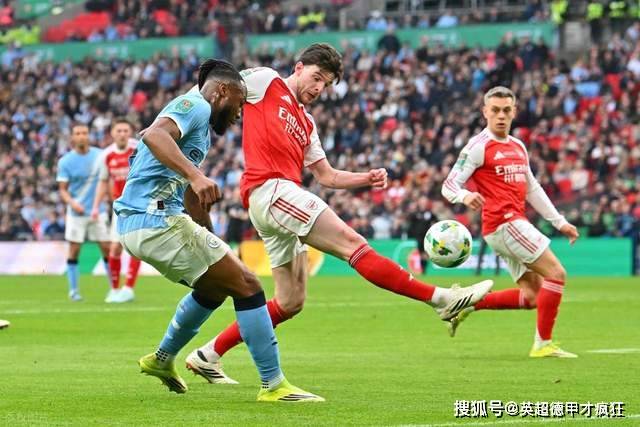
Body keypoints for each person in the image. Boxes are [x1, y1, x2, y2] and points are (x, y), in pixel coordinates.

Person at [186, 43, 493, 384]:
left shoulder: (307, 123)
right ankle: (440, 299)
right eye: (316, 77)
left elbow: (327, 176)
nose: (319, 88)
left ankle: (208, 354)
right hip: (270, 189)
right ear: (298, 67)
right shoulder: (266, 81)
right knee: (352, 243)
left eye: (327, 84)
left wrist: (366, 178)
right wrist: (178, 118)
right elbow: (218, 85)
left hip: (281, 197)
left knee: (290, 301)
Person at [113, 59, 321, 402]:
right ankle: (274, 385)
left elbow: (190, 195)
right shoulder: (193, 105)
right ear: (223, 90)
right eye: (239, 102)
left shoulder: (199, 130)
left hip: (146, 221)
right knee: (249, 286)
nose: (240, 113)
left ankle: (162, 359)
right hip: (154, 219)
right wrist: (196, 176)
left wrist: (210, 234)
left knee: (215, 288)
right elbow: (153, 135)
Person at [441, 86, 580, 358]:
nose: (501, 116)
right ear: (485, 112)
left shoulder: (518, 146)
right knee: (556, 273)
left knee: (532, 296)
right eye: (495, 110)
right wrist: (465, 195)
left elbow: (532, 189)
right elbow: (449, 185)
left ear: (514, 112)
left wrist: (559, 222)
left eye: (506, 110)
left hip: (509, 225)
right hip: (504, 223)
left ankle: (466, 304)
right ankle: (543, 344)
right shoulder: (478, 146)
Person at [56, 124, 112, 302]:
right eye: (78, 133)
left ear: (89, 136)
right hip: (76, 213)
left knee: (106, 248)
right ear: (72, 137)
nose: (81, 136)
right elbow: (63, 189)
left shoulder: (100, 156)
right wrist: (72, 203)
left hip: (98, 211)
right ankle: (73, 291)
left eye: (84, 133)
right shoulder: (65, 161)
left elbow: (107, 180)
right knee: (74, 250)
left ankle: (114, 289)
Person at [92, 118, 141, 303]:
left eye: (125, 131)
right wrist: (96, 206)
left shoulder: (139, 149)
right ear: (112, 133)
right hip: (119, 208)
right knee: (115, 248)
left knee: (135, 248)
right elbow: (103, 182)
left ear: (130, 133)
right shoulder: (106, 155)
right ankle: (114, 289)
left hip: (138, 205)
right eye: (118, 131)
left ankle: (128, 288)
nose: (122, 134)